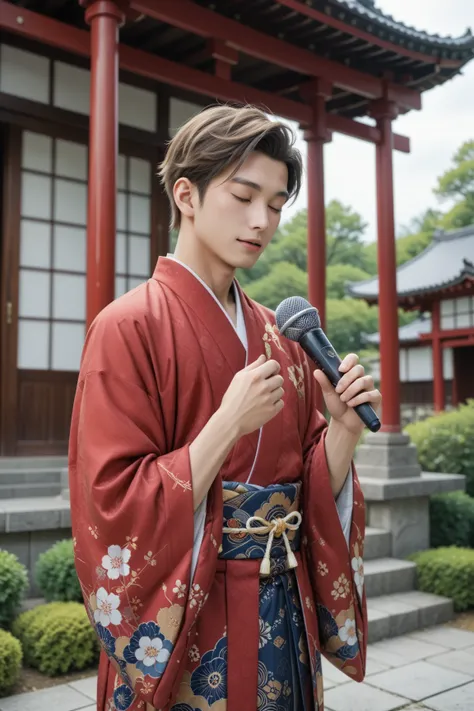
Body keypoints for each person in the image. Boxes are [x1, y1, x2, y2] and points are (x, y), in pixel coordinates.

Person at [69, 104, 381, 711]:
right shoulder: (127, 326)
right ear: (186, 194)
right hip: (191, 625)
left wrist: (341, 435)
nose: (262, 220)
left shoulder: (280, 335)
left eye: (277, 203)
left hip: (283, 614)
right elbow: (108, 502)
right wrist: (225, 426)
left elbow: (305, 490)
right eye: (243, 196)